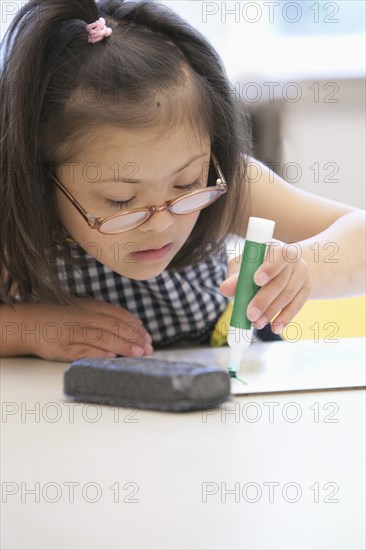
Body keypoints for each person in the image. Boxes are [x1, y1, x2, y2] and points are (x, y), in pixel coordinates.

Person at [0, 0, 364, 362]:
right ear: (42, 176)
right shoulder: (18, 221)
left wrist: (303, 268)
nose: (161, 222)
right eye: (121, 200)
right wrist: (30, 328)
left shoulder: (225, 181)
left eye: (186, 184)